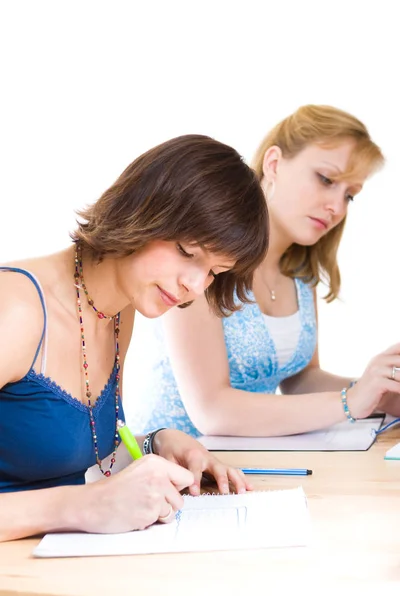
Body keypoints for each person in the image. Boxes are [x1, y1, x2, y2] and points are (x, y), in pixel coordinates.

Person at [0, 134, 269, 542]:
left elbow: (65, 448)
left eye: (214, 271)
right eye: (187, 251)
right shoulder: (17, 310)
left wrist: (154, 445)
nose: (195, 286)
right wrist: (81, 506)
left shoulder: (120, 308)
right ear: (143, 208)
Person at [127, 105, 400, 439]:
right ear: (273, 164)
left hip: (255, 464)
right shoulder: (205, 258)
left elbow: (300, 380)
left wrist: (382, 393)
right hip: (173, 473)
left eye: (350, 196)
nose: (337, 207)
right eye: (326, 179)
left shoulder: (300, 270)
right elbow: (212, 410)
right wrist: (350, 401)